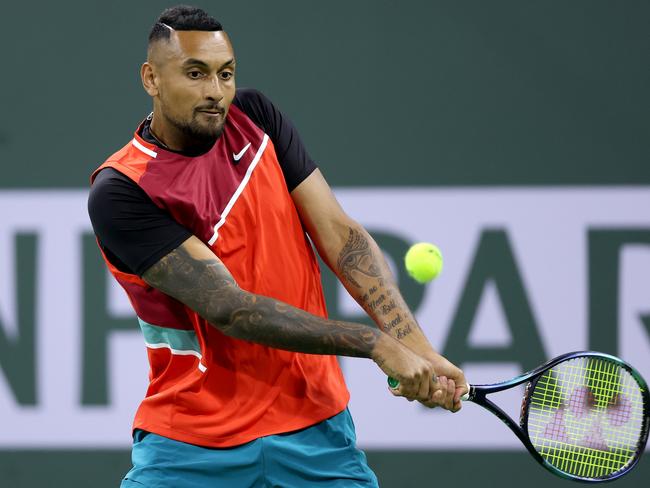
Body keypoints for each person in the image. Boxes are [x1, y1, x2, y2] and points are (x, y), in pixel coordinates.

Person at [88, 5, 467, 487]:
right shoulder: (123, 190)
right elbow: (230, 309)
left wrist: (418, 349)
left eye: (225, 74)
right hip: (191, 447)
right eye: (195, 73)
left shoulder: (255, 118)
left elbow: (339, 235)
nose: (215, 92)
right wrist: (375, 343)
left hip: (317, 434)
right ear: (151, 78)